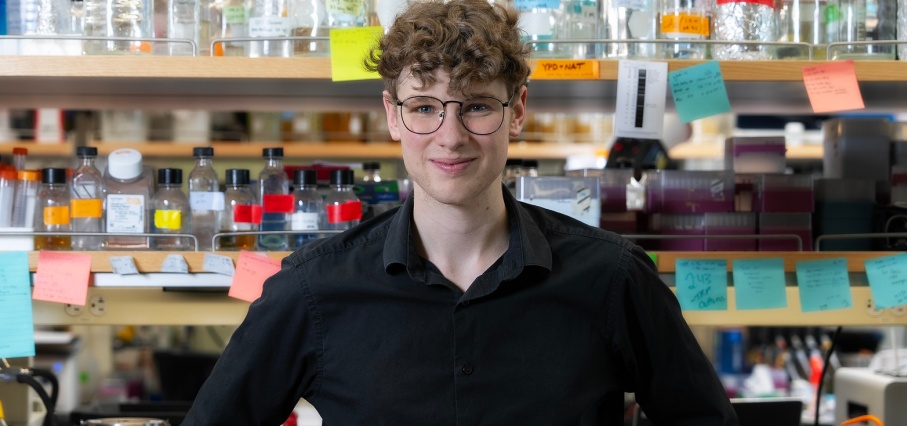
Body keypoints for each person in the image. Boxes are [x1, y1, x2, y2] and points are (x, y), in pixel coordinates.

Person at [181, 0, 738, 424]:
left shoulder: (612, 279)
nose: (450, 138)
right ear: (392, 116)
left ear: (517, 110)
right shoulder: (311, 290)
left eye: (475, 106)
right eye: (424, 107)